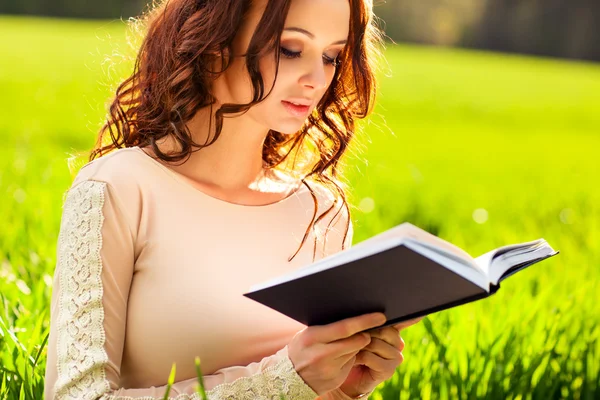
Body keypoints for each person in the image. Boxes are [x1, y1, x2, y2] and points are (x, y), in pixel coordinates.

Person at [43, 0, 422, 398]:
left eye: (331, 57)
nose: (316, 78)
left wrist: (345, 388)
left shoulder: (321, 213)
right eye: (290, 50)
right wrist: (288, 382)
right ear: (213, 39)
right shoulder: (118, 188)